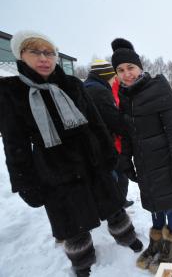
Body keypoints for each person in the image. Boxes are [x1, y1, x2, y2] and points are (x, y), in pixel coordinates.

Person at [0, 30, 142, 277]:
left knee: (113, 206)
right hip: (53, 170)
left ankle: (126, 237)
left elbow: (95, 122)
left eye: (49, 52)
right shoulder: (11, 92)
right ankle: (82, 259)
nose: (44, 58)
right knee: (71, 223)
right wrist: (24, 182)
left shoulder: (72, 84)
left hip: (92, 160)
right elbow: (15, 143)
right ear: (20, 55)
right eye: (35, 52)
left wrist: (109, 153)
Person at [111, 38, 172, 273]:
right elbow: (126, 134)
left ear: (140, 67)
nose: (127, 74)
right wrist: (125, 160)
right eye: (121, 70)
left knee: (171, 204)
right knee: (154, 205)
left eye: (131, 68)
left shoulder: (158, 89)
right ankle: (157, 241)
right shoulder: (126, 97)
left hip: (167, 162)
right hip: (145, 164)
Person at [83, 59, 134, 208]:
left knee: (107, 178)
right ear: (106, 76)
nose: (114, 81)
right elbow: (115, 121)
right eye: (113, 77)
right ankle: (117, 206)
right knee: (120, 176)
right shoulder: (100, 92)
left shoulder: (86, 87)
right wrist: (128, 125)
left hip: (92, 144)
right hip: (103, 144)